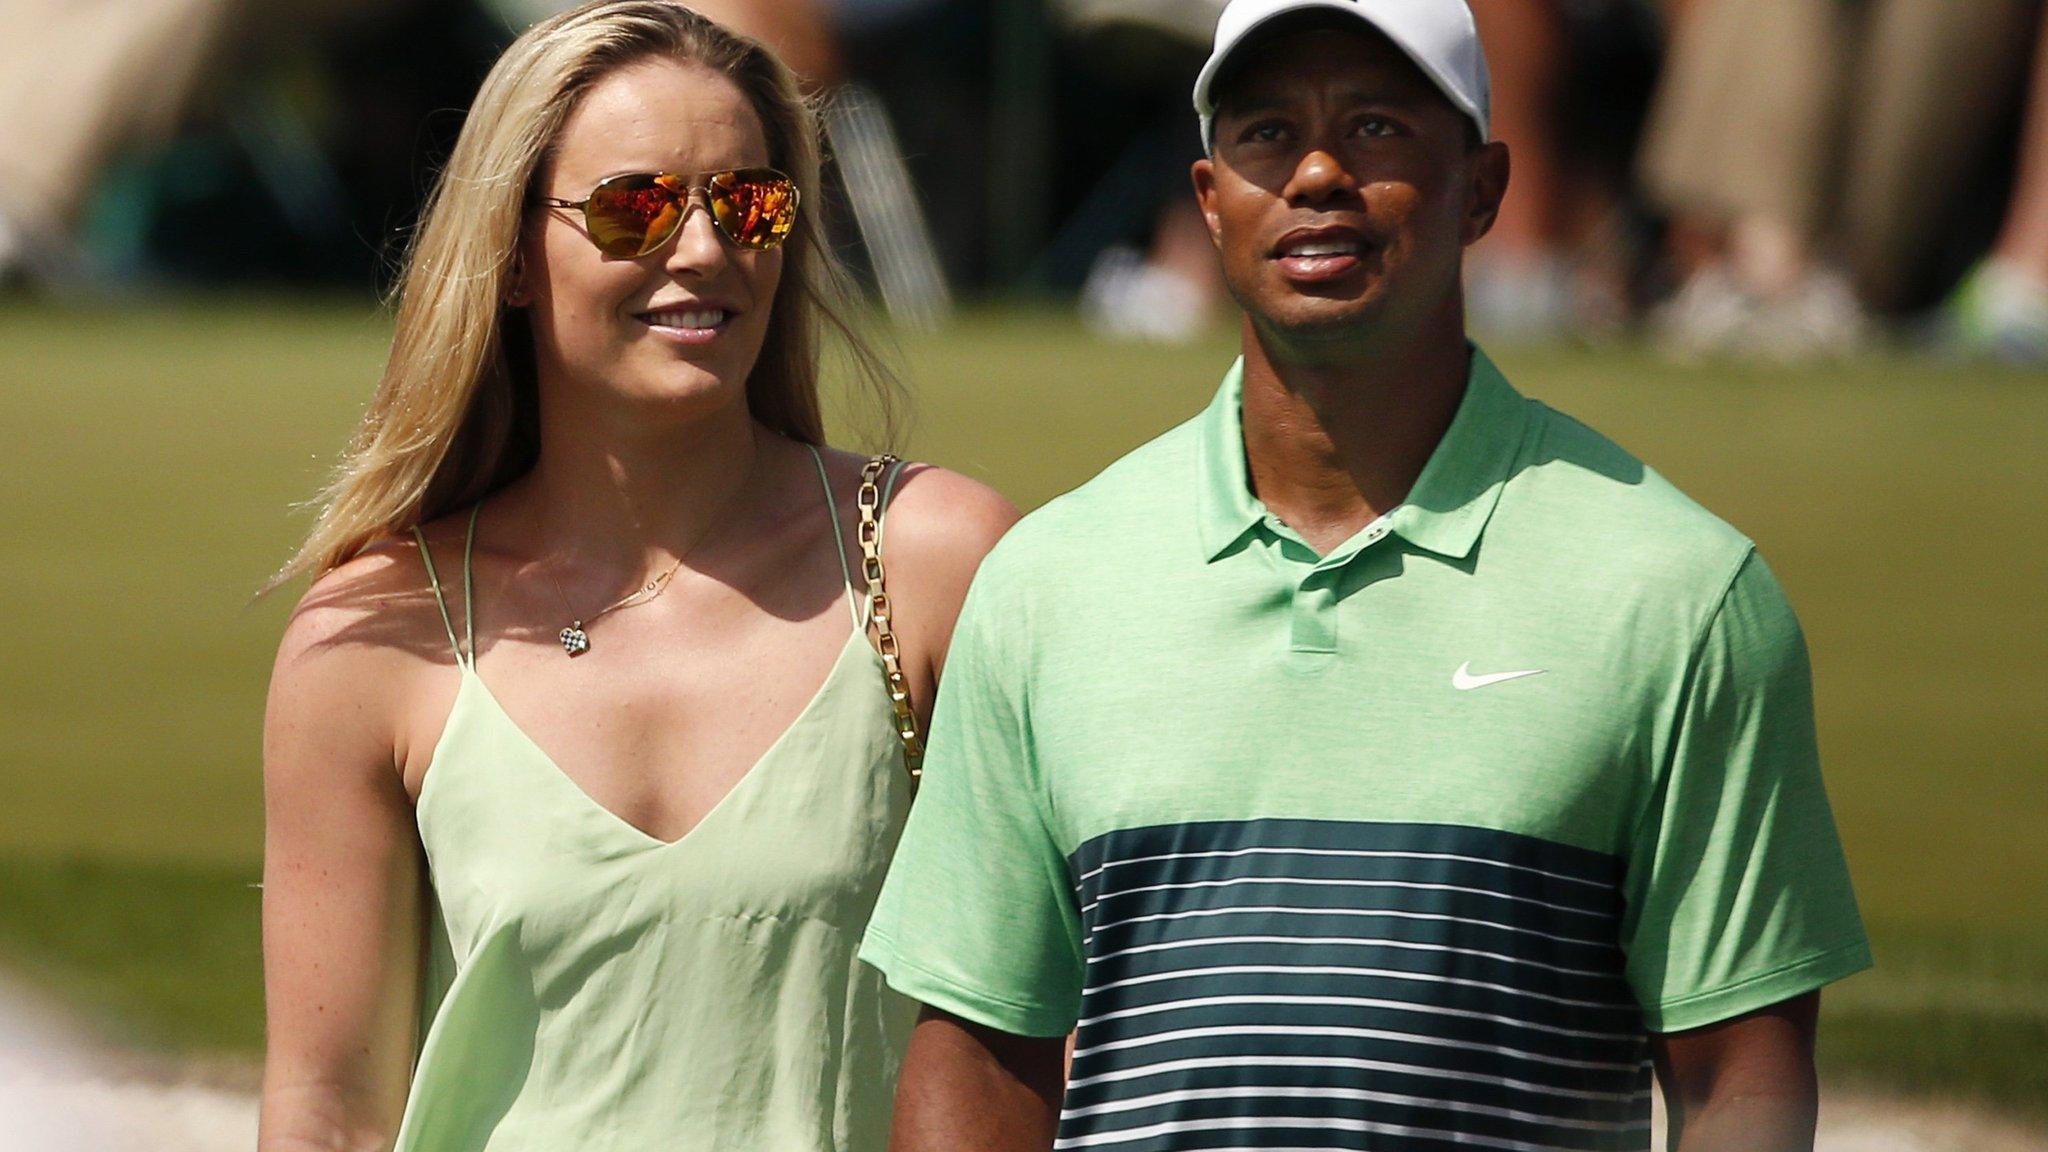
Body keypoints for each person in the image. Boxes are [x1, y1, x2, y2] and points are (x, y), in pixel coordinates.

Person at [860, 1, 1871, 1149]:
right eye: (1267, 133)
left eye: (1379, 126)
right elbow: (982, 1060)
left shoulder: (1680, 594)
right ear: (1209, 199)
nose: (1318, 172)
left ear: (1483, 188)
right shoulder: (1046, 585)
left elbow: (1740, 1076)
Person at [257, 3, 1014, 1150]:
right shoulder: (372, 636)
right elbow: (327, 1113)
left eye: (749, 204)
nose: (705, 250)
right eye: (636, 207)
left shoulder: (932, 562)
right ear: (509, 256)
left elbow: (1056, 1025)